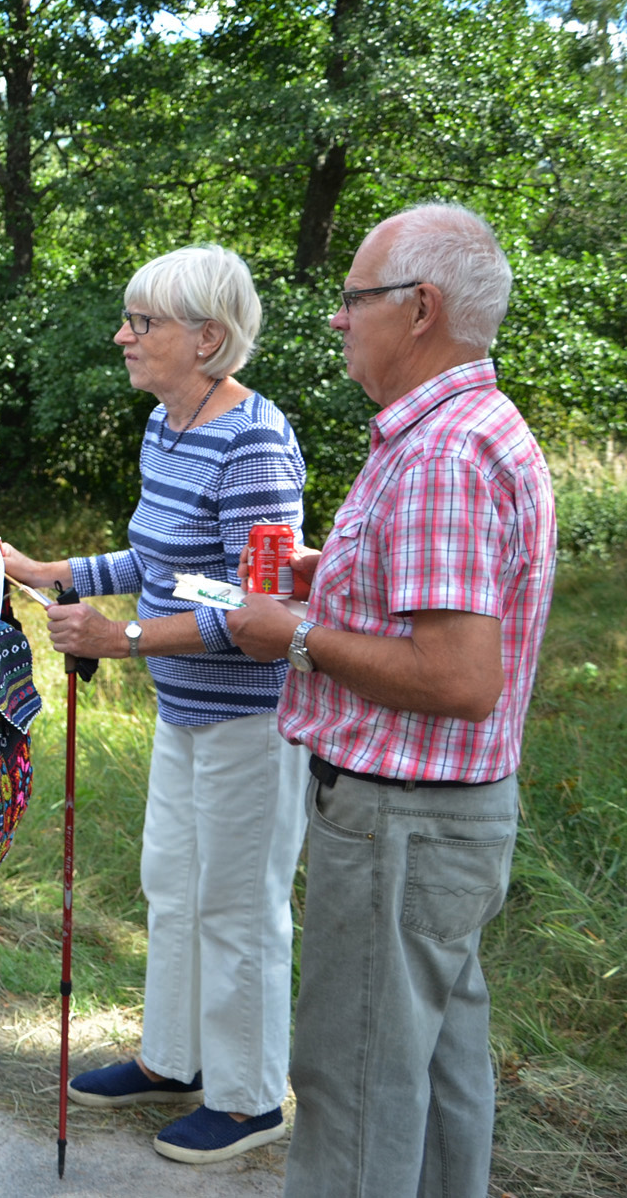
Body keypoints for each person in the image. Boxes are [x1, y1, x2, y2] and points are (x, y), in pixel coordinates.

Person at [228, 204, 557, 1198]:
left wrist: (288, 633)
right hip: (440, 824)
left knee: (354, 1084)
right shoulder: (466, 428)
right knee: (435, 1067)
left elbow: (456, 675)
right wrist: (335, 574)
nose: (334, 319)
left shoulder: (438, 456)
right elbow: (452, 602)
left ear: (417, 309)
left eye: (350, 298)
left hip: (398, 820)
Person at [0, 245, 308, 1164]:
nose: (122, 336)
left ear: (208, 338)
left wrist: (121, 638)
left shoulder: (255, 440)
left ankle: (251, 1097)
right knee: (171, 887)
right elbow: (164, 565)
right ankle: (174, 1060)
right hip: (184, 710)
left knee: (240, 906)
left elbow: (258, 612)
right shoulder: (168, 425)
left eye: (143, 322)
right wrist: (47, 572)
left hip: (249, 718)